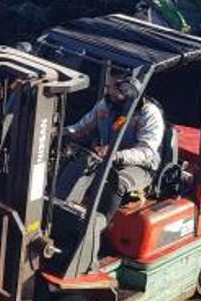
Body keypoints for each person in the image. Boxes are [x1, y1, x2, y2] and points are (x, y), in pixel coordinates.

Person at [66, 74, 165, 214]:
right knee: (75, 164)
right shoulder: (106, 105)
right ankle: (64, 211)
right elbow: (82, 127)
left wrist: (115, 155)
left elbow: (146, 152)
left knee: (116, 182)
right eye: (108, 87)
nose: (109, 92)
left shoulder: (148, 114)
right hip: (107, 159)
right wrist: (61, 132)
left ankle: (96, 227)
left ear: (130, 89)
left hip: (140, 166)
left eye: (114, 89)